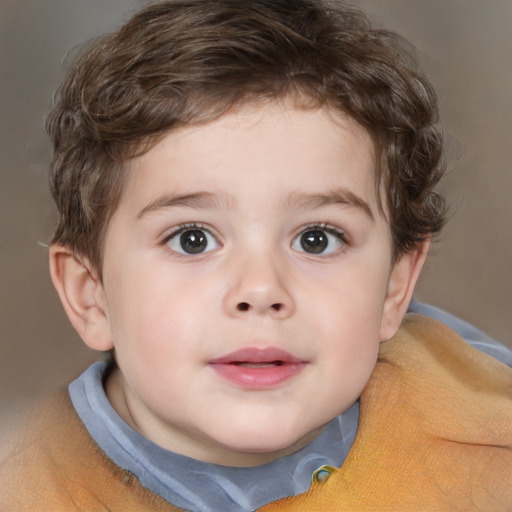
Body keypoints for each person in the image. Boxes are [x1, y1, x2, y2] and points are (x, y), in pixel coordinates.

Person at [1, 0, 510, 510]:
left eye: (317, 239)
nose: (261, 289)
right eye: (192, 239)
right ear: (92, 297)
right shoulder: (29, 485)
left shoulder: (483, 423)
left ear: (394, 288)